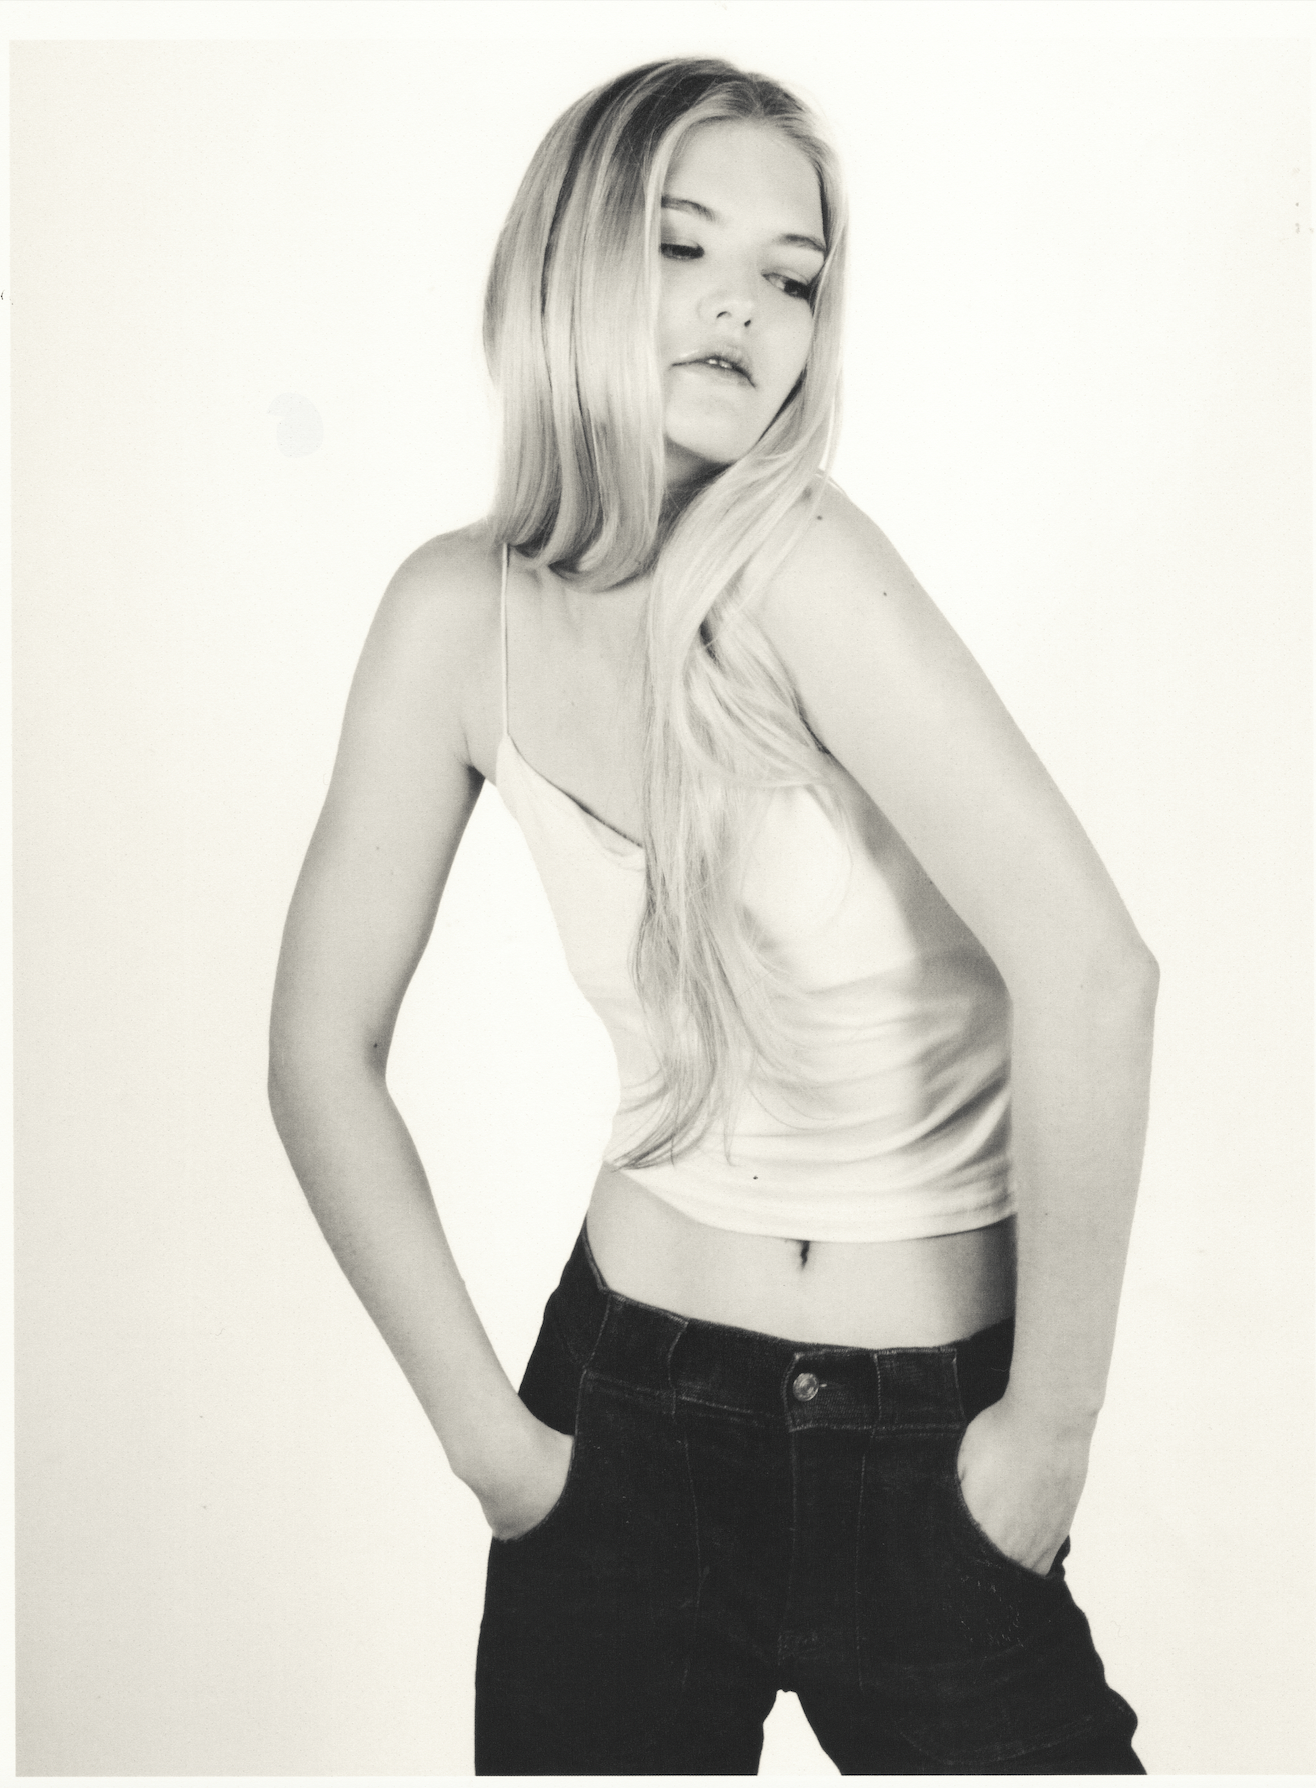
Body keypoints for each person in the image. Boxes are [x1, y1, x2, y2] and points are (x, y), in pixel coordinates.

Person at [268, 56, 1158, 1775]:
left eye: (792, 276)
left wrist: (1047, 1437)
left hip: (925, 1447)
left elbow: (1095, 973)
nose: (746, 304)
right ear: (567, 263)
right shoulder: (452, 617)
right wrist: (493, 1446)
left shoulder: (798, 565)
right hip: (620, 1419)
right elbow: (320, 1046)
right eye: (683, 247)